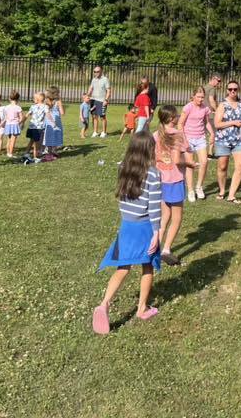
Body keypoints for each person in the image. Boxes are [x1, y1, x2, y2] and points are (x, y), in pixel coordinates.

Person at [92, 130, 162, 334]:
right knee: (147, 266)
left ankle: (104, 303)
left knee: (123, 267)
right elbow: (155, 207)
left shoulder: (124, 168)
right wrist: (156, 233)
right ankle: (141, 308)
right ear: (150, 149)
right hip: (145, 227)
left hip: (127, 225)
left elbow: (122, 198)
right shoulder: (154, 174)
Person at [155, 105, 198, 266]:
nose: (179, 116)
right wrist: (190, 164)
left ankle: (155, 247)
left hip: (161, 180)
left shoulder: (155, 135)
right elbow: (177, 160)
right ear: (172, 118)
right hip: (174, 180)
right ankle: (166, 249)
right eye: (177, 115)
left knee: (164, 217)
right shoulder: (178, 135)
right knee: (177, 218)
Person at [214, 80, 241, 204]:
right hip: (223, 139)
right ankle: (222, 190)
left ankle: (231, 195)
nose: (233, 91)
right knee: (222, 166)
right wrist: (233, 122)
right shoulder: (223, 105)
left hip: (239, 139)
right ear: (227, 90)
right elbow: (217, 124)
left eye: (235, 89)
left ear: (238, 90)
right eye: (230, 89)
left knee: (240, 166)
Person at [179, 86, 213, 201]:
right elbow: (180, 124)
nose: (200, 99)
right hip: (188, 138)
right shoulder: (188, 107)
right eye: (198, 97)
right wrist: (184, 140)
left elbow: (207, 123)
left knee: (204, 162)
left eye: (202, 97)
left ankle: (199, 187)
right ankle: (190, 190)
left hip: (200, 138)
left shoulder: (205, 108)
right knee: (190, 165)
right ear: (193, 96)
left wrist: (212, 134)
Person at [86, 66, 110, 138]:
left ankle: (104, 132)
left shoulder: (105, 79)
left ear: (101, 71)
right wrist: (88, 96)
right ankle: (95, 132)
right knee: (94, 116)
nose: (96, 73)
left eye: (97, 71)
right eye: (94, 72)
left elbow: (108, 90)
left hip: (102, 101)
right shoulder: (93, 79)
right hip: (93, 100)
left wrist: (106, 100)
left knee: (102, 117)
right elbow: (91, 88)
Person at [25, 92, 48, 162]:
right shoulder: (45, 106)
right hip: (38, 128)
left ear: (38, 100)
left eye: (34, 98)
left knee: (32, 141)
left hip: (31, 127)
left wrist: (22, 121)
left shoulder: (33, 106)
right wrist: (53, 123)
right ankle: (35, 157)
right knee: (37, 143)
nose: (33, 99)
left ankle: (26, 153)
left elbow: (27, 114)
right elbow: (48, 115)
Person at [43, 86, 64, 158]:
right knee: (56, 135)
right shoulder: (58, 101)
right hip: (56, 121)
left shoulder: (46, 101)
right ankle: (54, 150)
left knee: (48, 135)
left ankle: (48, 151)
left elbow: (45, 111)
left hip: (48, 121)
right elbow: (62, 112)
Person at [2, 91, 24, 158]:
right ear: (18, 99)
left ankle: (8, 152)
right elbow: (21, 117)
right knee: (13, 140)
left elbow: (5, 117)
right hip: (15, 125)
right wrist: (19, 123)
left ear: (9, 98)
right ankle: (10, 153)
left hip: (8, 125)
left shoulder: (6, 107)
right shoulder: (18, 108)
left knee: (9, 139)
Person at [206, 74, 223, 156]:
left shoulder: (203, 87)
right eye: (218, 81)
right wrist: (217, 111)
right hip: (210, 114)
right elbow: (211, 100)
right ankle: (210, 152)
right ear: (213, 79)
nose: (219, 83)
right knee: (213, 133)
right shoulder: (212, 89)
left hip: (203, 114)